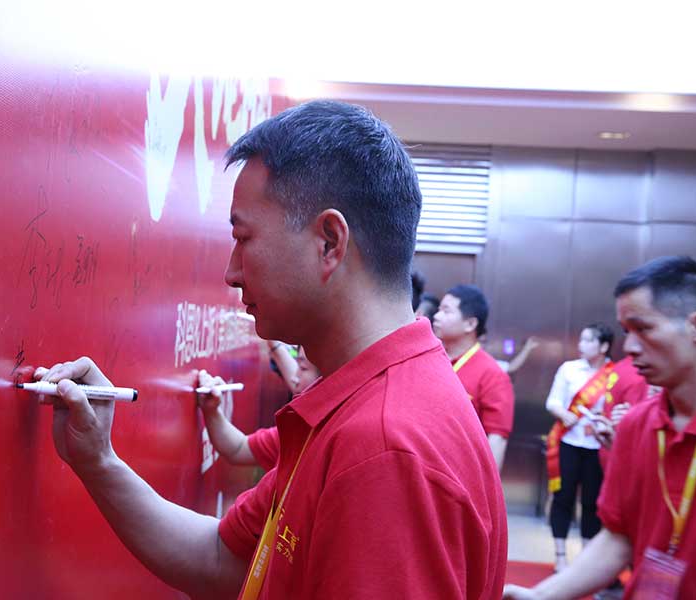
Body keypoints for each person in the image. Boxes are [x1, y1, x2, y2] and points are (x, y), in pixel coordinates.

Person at [37, 100, 507, 599]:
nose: (231, 272)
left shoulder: (384, 450)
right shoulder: (364, 404)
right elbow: (224, 559)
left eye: (244, 238)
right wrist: (99, 461)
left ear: (329, 242)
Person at [504, 256, 696, 600]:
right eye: (627, 332)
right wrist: (542, 595)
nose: (630, 347)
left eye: (644, 329)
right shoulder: (635, 426)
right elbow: (618, 537)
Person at [543, 323, 615, 572]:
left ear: (603, 346)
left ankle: (586, 559)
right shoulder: (569, 369)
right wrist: (565, 415)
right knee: (563, 498)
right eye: (581, 339)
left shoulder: (614, 374)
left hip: (598, 447)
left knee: (592, 502)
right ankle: (560, 556)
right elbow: (553, 401)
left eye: (588, 340)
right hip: (568, 443)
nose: (581, 344)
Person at [197, 345, 319, 470]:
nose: (294, 378)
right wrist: (212, 410)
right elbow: (238, 448)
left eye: (303, 368)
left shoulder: (326, 441)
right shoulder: (297, 433)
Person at [433, 284, 515, 471]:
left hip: (459, 473)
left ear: (470, 324)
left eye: (446, 311)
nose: (437, 316)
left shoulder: (492, 375)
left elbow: (496, 438)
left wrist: (486, 485)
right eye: (438, 309)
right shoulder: (431, 359)